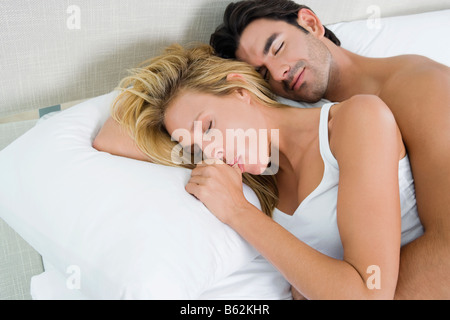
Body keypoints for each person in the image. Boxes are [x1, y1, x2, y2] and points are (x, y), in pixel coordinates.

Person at [93, 44, 424, 299]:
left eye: (208, 126)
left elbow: (369, 293)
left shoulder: (357, 120)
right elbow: (110, 137)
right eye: (196, 148)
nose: (213, 153)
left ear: (240, 89)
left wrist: (238, 211)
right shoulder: (258, 177)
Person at [210, 0, 450, 299]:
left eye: (278, 47)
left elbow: (447, 253)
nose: (280, 72)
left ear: (311, 23)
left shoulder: (419, 87)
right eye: (262, 74)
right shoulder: (306, 120)